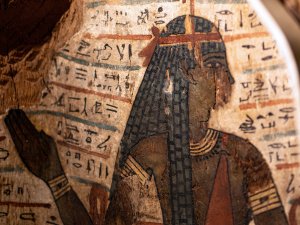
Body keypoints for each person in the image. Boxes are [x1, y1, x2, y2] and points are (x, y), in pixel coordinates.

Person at [4, 15, 289, 225]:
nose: (223, 80)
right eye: (211, 68)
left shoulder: (243, 155)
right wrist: (56, 178)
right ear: (178, 75)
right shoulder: (148, 154)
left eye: (219, 68)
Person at [104, 15, 289, 225]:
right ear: (186, 72)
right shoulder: (145, 156)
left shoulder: (244, 156)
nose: (228, 77)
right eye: (216, 65)